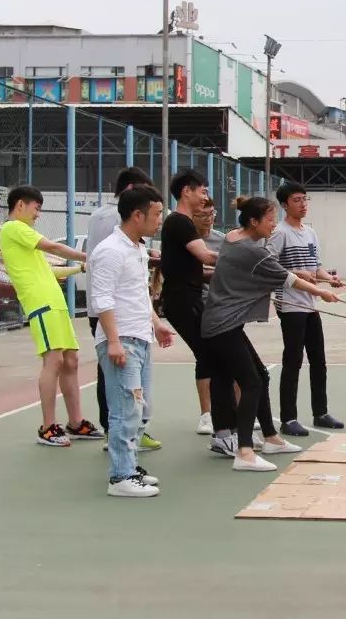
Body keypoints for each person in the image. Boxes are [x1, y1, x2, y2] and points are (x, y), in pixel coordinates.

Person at [201, 196, 339, 472]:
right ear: (254, 221)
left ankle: (271, 438)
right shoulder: (254, 252)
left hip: (223, 323)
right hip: (222, 326)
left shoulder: (232, 237)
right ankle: (244, 451)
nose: (274, 227)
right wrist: (321, 291)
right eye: (270, 220)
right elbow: (289, 279)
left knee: (260, 375)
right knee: (251, 382)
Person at [0, 185, 102, 447]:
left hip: (55, 304)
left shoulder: (26, 239)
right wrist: (89, 255)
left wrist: (80, 267)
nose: (38, 214)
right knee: (53, 360)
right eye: (36, 208)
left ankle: (76, 423)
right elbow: (53, 247)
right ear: (20, 205)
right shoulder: (14, 229)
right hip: (40, 303)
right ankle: (47, 428)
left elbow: (49, 271)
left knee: (71, 360)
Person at [90, 185, 177, 497]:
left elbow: (139, 295)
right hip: (121, 340)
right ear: (137, 215)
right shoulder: (110, 251)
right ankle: (121, 477)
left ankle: (130, 466)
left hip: (139, 338)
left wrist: (156, 324)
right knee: (125, 409)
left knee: (141, 408)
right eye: (155, 214)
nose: (159, 221)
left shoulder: (137, 249)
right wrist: (113, 341)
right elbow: (102, 300)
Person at [85, 166, 157, 450]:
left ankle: (129, 433)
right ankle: (115, 435)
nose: (157, 219)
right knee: (118, 388)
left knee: (131, 392)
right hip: (113, 316)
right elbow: (106, 282)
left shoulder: (131, 243)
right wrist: (113, 337)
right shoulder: (110, 224)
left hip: (128, 317)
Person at [269, 182, 345, 437]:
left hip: (310, 305)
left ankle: (320, 412)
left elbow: (316, 267)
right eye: (297, 200)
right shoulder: (279, 233)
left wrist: (328, 278)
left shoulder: (310, 232)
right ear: (284, 205)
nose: (303, 204)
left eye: (305, 199)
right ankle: (288, 418)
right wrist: (296, 273)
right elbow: (270, 268)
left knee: (318, 360)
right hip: (290, 305)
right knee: (292, 361)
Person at [159, 169, 226, 438]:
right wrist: (244, 261)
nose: (205, 197)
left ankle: (223, 420)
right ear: (187, 191)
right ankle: (218, 421)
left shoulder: (181, 223)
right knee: (213, 355)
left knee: (214, 355)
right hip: (182, 301)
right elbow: (206, 256)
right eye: (203, 191)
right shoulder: (179, 222)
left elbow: (199, 267)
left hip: (188, 298)